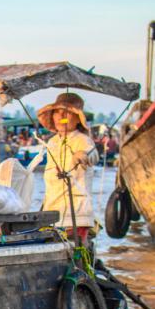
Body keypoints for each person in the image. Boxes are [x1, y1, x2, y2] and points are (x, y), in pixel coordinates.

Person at [38, 93, 99, 243]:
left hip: (76, 214)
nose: (61, 116)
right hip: (52, 213)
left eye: (67, 113)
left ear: (78, 118)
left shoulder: (83, 140)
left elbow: (92, 153)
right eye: (57, 112)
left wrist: (82, 155)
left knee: (76, 253)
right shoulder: (52, 142)